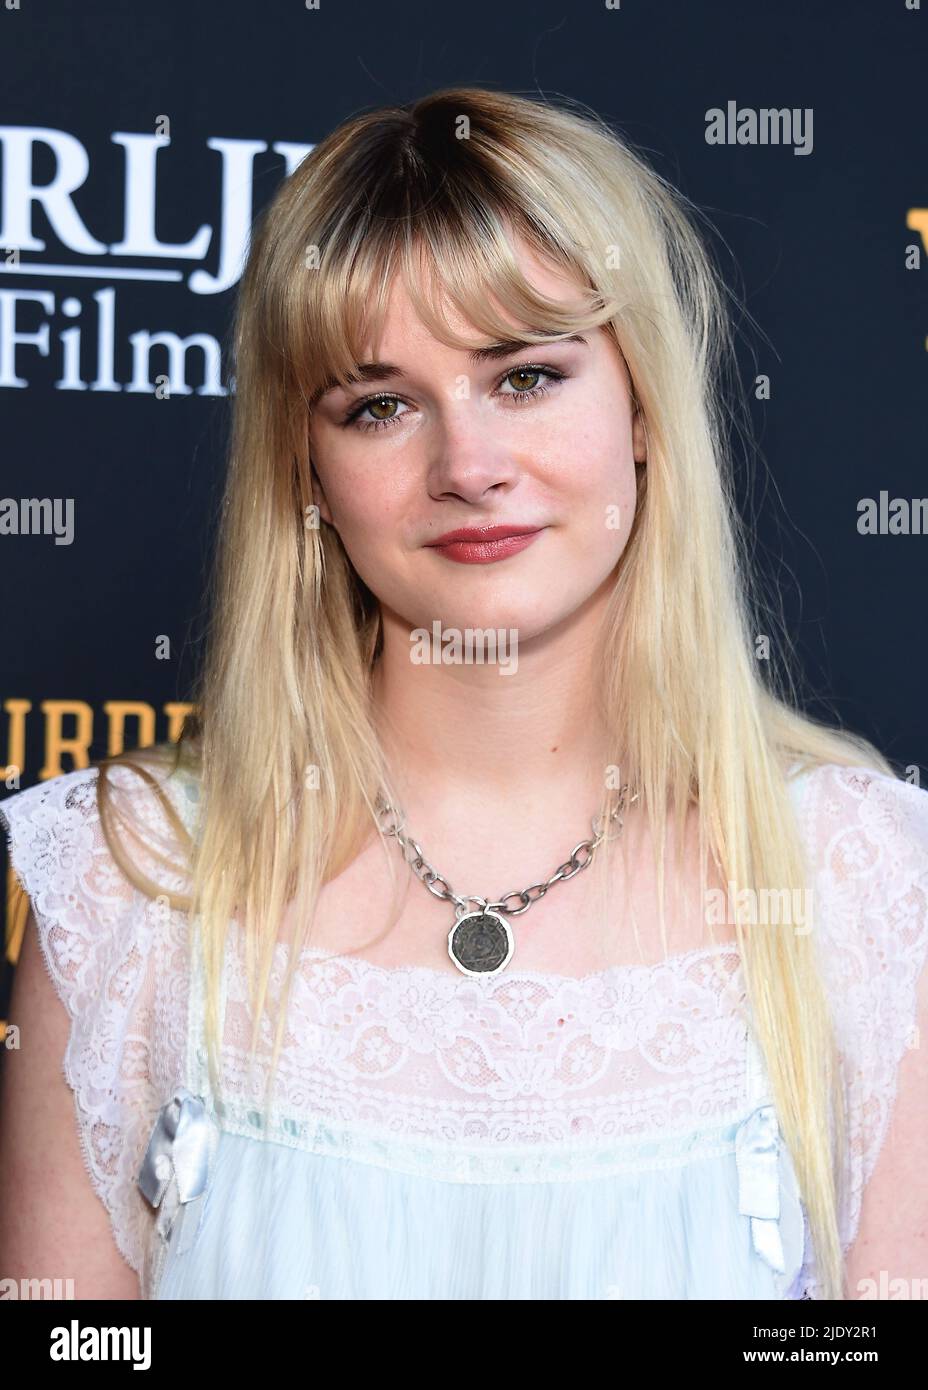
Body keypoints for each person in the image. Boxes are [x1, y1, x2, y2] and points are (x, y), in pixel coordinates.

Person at [1, 86, 926, 1302]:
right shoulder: (132, 881)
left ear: (643, 406)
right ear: (309, 470)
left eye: (527, 377)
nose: (469, 466)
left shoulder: (862, 885)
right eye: (380, 405)